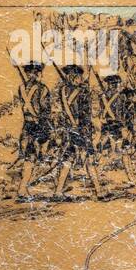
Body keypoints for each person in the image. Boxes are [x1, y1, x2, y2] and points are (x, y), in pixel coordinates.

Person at [53, 64, 103, 200]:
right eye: (79, 77)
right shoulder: (82, 92)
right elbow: (86, 113)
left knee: (68, 160)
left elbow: (66, 110)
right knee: (89, 160)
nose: (81, 79)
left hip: (69, 129)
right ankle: (98, 191)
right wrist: (89, 131)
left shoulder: (63, 90)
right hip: (81, 130)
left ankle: (58, 191)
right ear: (76, 77)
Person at [13, 61, 51, 200]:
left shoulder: (21, 88)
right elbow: (45, 109)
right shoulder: (43, 89)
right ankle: (23, 190)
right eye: (38, 72)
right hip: (38, 126)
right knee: (36, 156)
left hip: (26, 126)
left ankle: (22, 189)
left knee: (29, 158)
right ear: (36, 73)